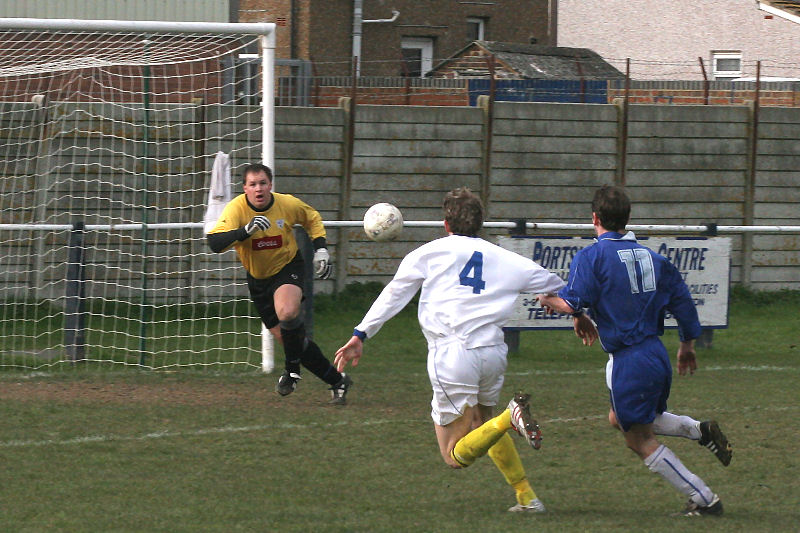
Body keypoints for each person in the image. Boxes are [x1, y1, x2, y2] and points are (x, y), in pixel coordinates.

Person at [334, 187, 597, 512]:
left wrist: (360, 334)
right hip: (492, 354)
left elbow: (393, 295)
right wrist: (578, 314)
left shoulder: (427, 253)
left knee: (453, 455)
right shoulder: (508, 259)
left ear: (446, 223)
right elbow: (562, 289)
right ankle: (527, 497)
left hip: (453, 355)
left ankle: (508, 420)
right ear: (481, 223)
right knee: (481, 425)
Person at [536, 185, 732, 517]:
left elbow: (570, 302)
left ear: (594, 218)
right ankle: (698, 430)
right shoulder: (655, 258)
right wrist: (686, 344)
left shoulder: (592, 255)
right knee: (624, 419)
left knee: (638, 440)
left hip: (629, 359)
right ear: (627, 219)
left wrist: (546, 298)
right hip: (655, 353)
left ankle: (704, 498)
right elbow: (682, 300)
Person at [207, 162, 352, 404]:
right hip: (258, 280)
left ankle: (291, 372)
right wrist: (245, 231)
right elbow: (214, 243)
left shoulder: (286, 204)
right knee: (294, 341)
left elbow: (312, 218)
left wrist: (321, 250)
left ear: (270, 185)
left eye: (263, 183)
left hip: (288, 268)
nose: (258, 189)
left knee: (287, 313)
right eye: (253, 184)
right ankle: (338, 381)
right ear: (245, 189)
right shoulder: (236, 210)